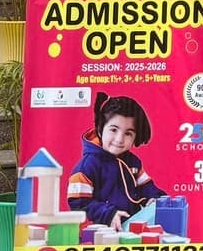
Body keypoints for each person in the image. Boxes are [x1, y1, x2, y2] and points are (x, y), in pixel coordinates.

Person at [66, 93, 166, 230]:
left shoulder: (133, 162)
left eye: (128, 133)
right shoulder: (86, 167)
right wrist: (108, 213)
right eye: (113, 130)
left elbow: (146, 186)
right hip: (100, 232)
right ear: (100, 128)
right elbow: (78, 203)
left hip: (130, 228)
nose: (119, 139)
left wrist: (154, 197)